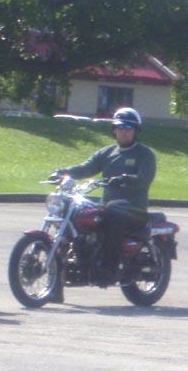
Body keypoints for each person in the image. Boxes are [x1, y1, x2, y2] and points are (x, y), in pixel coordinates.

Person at [56, 107, 157, 282]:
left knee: (113, 209)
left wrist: (126, 179)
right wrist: (63, 173)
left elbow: (144, 179)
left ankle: (109, 268)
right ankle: (65, 261)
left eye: (128, 127)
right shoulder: (107, 153)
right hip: (108, 207)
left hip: (134, 210)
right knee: (76, 210)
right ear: (114, 130)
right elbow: (85, 168)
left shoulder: (145, 154)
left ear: (136, 130)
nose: (123, 131)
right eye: (119, 127)